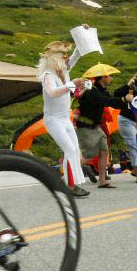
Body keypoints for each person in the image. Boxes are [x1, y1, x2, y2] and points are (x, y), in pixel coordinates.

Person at [38, 40, 89, 198]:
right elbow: (52, 92)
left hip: (64, 119)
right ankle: (70, 186)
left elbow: (77, 55)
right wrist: (71, 85)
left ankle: (74, 183)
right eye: (64, 56)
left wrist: (82, 34)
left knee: (75, 151)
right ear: (56, 59)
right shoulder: (48, 75)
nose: (67, 59)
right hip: (53, 120)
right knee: (69, 150)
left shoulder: (64, 71)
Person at [77, 64, 132, 188]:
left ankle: (102, 180)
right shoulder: (92, 91)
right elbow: (106, 101)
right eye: (110, 76)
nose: (111, 79)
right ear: (102, 77)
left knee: (103, 151)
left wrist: (126, 101)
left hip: (95, 127)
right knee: (88, 157)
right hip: (86, 126)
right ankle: (68, 169)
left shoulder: (101, 90)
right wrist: (124, 99)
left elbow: (112, 101)